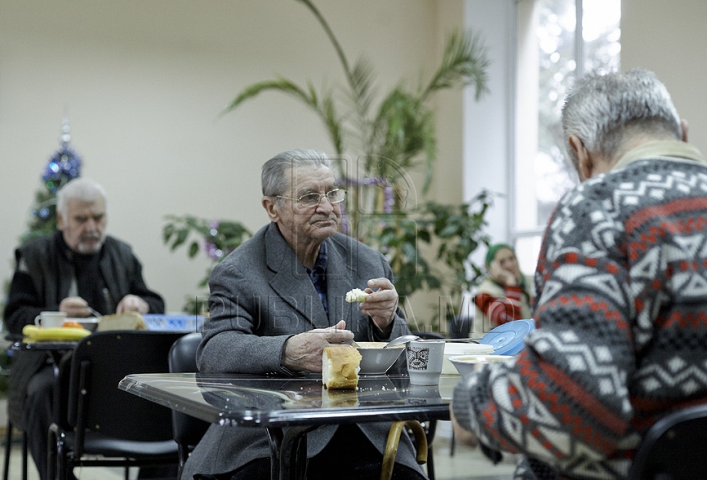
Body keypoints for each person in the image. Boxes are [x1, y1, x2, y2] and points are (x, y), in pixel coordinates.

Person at [451, 69, 707, 479]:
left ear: (579, 151)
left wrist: (473, 403)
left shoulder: (599, 205)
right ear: (682, 134)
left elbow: (573, 409)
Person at [182, 149, 426, 480]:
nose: (326, 206)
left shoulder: (369, 262)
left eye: (332, 193)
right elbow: (215, 350)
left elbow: (402, 358)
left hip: (365, 427)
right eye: (309, 196)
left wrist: (386, 322)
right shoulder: (239, 270)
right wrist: (288, 351)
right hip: (276, 433)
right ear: (272, 208)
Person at [4, 177, 165, 480]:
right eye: (81, 219)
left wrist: (140, 303)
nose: (92, 227)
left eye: (98, 217)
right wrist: (54, 313)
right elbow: (15, 315)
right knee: (41, 393)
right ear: (62, 219)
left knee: (164, 392)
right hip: (51, 365)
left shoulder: (123, 254)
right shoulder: (34, 256)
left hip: (117, 366)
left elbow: (156, 304)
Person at [472, 243, 532, 338]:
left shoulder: (529, 282)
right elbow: (510, 325)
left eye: (512, 258)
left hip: (520, 346)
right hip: (486, 349)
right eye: (502, 262)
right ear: (491, 267)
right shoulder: (483, 294)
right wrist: (511, 284)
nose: (509, 265)